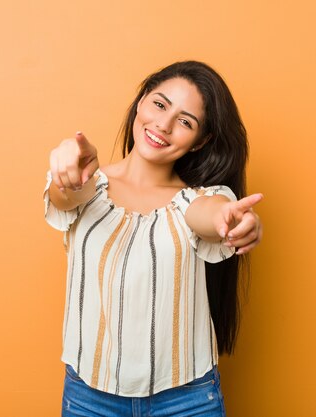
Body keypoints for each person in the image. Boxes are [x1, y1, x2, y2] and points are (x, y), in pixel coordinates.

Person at [44, 61, 263, 416]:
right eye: (160, 104)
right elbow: (63, 195)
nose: (163, 124)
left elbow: (210, 213)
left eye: (186, 121)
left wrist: (232, 220)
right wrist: (66, 165)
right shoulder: (89, 186)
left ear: (200, 141)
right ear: (141, 101)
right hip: (89, 397)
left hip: (187, 400)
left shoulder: (194, 200)